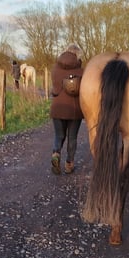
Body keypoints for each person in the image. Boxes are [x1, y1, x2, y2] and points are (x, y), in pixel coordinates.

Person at [49, 44, 84, 175]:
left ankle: (56, 153)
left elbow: (54, 89)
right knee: (72, 137)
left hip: (57, 108)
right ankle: (69, 164)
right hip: (74, 111)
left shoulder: (55, 69)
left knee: (59, 135)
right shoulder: (82, 71)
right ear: (77, 55)